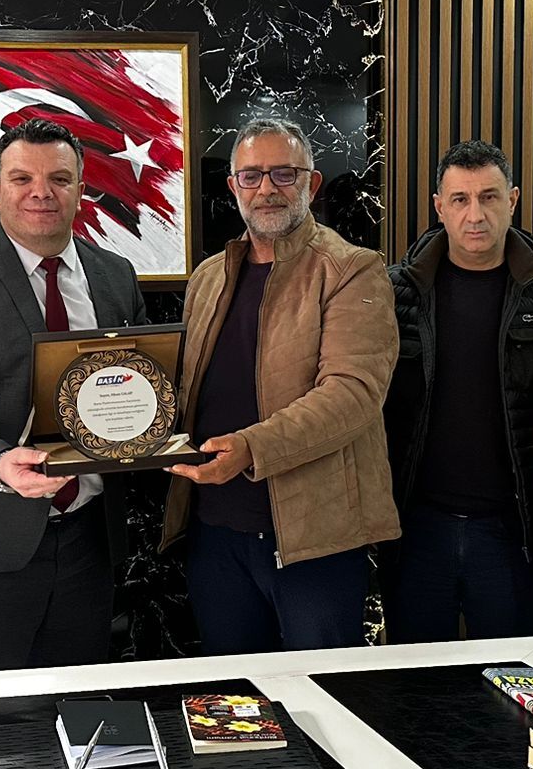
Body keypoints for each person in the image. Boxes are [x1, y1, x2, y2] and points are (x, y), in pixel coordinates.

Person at [0, 117, 149, 671]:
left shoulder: (115, 275)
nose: (41, 192)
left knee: (79, 700)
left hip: (89, 535)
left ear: (81, 189)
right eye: (22, 179)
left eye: (59, 179)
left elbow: (137, 387)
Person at [166, 119, 401, 651]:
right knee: (231, 695)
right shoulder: (208, 278)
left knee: (321, 694)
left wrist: (251, 448)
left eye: (283, 174)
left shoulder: (352, 270)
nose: (267, 188)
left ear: (311, 184)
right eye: (251, 176)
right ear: (233, 187)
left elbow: (353, 394)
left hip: (312, 541)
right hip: (215, 533)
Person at [382, 140, 533, 641]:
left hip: (511, 530)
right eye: (460, 199)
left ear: (512, 200)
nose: (475, 214)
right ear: (439, 206)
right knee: (417, 679)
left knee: (511, 678)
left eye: (489, 197)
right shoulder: (394, 292)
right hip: (415, 528)